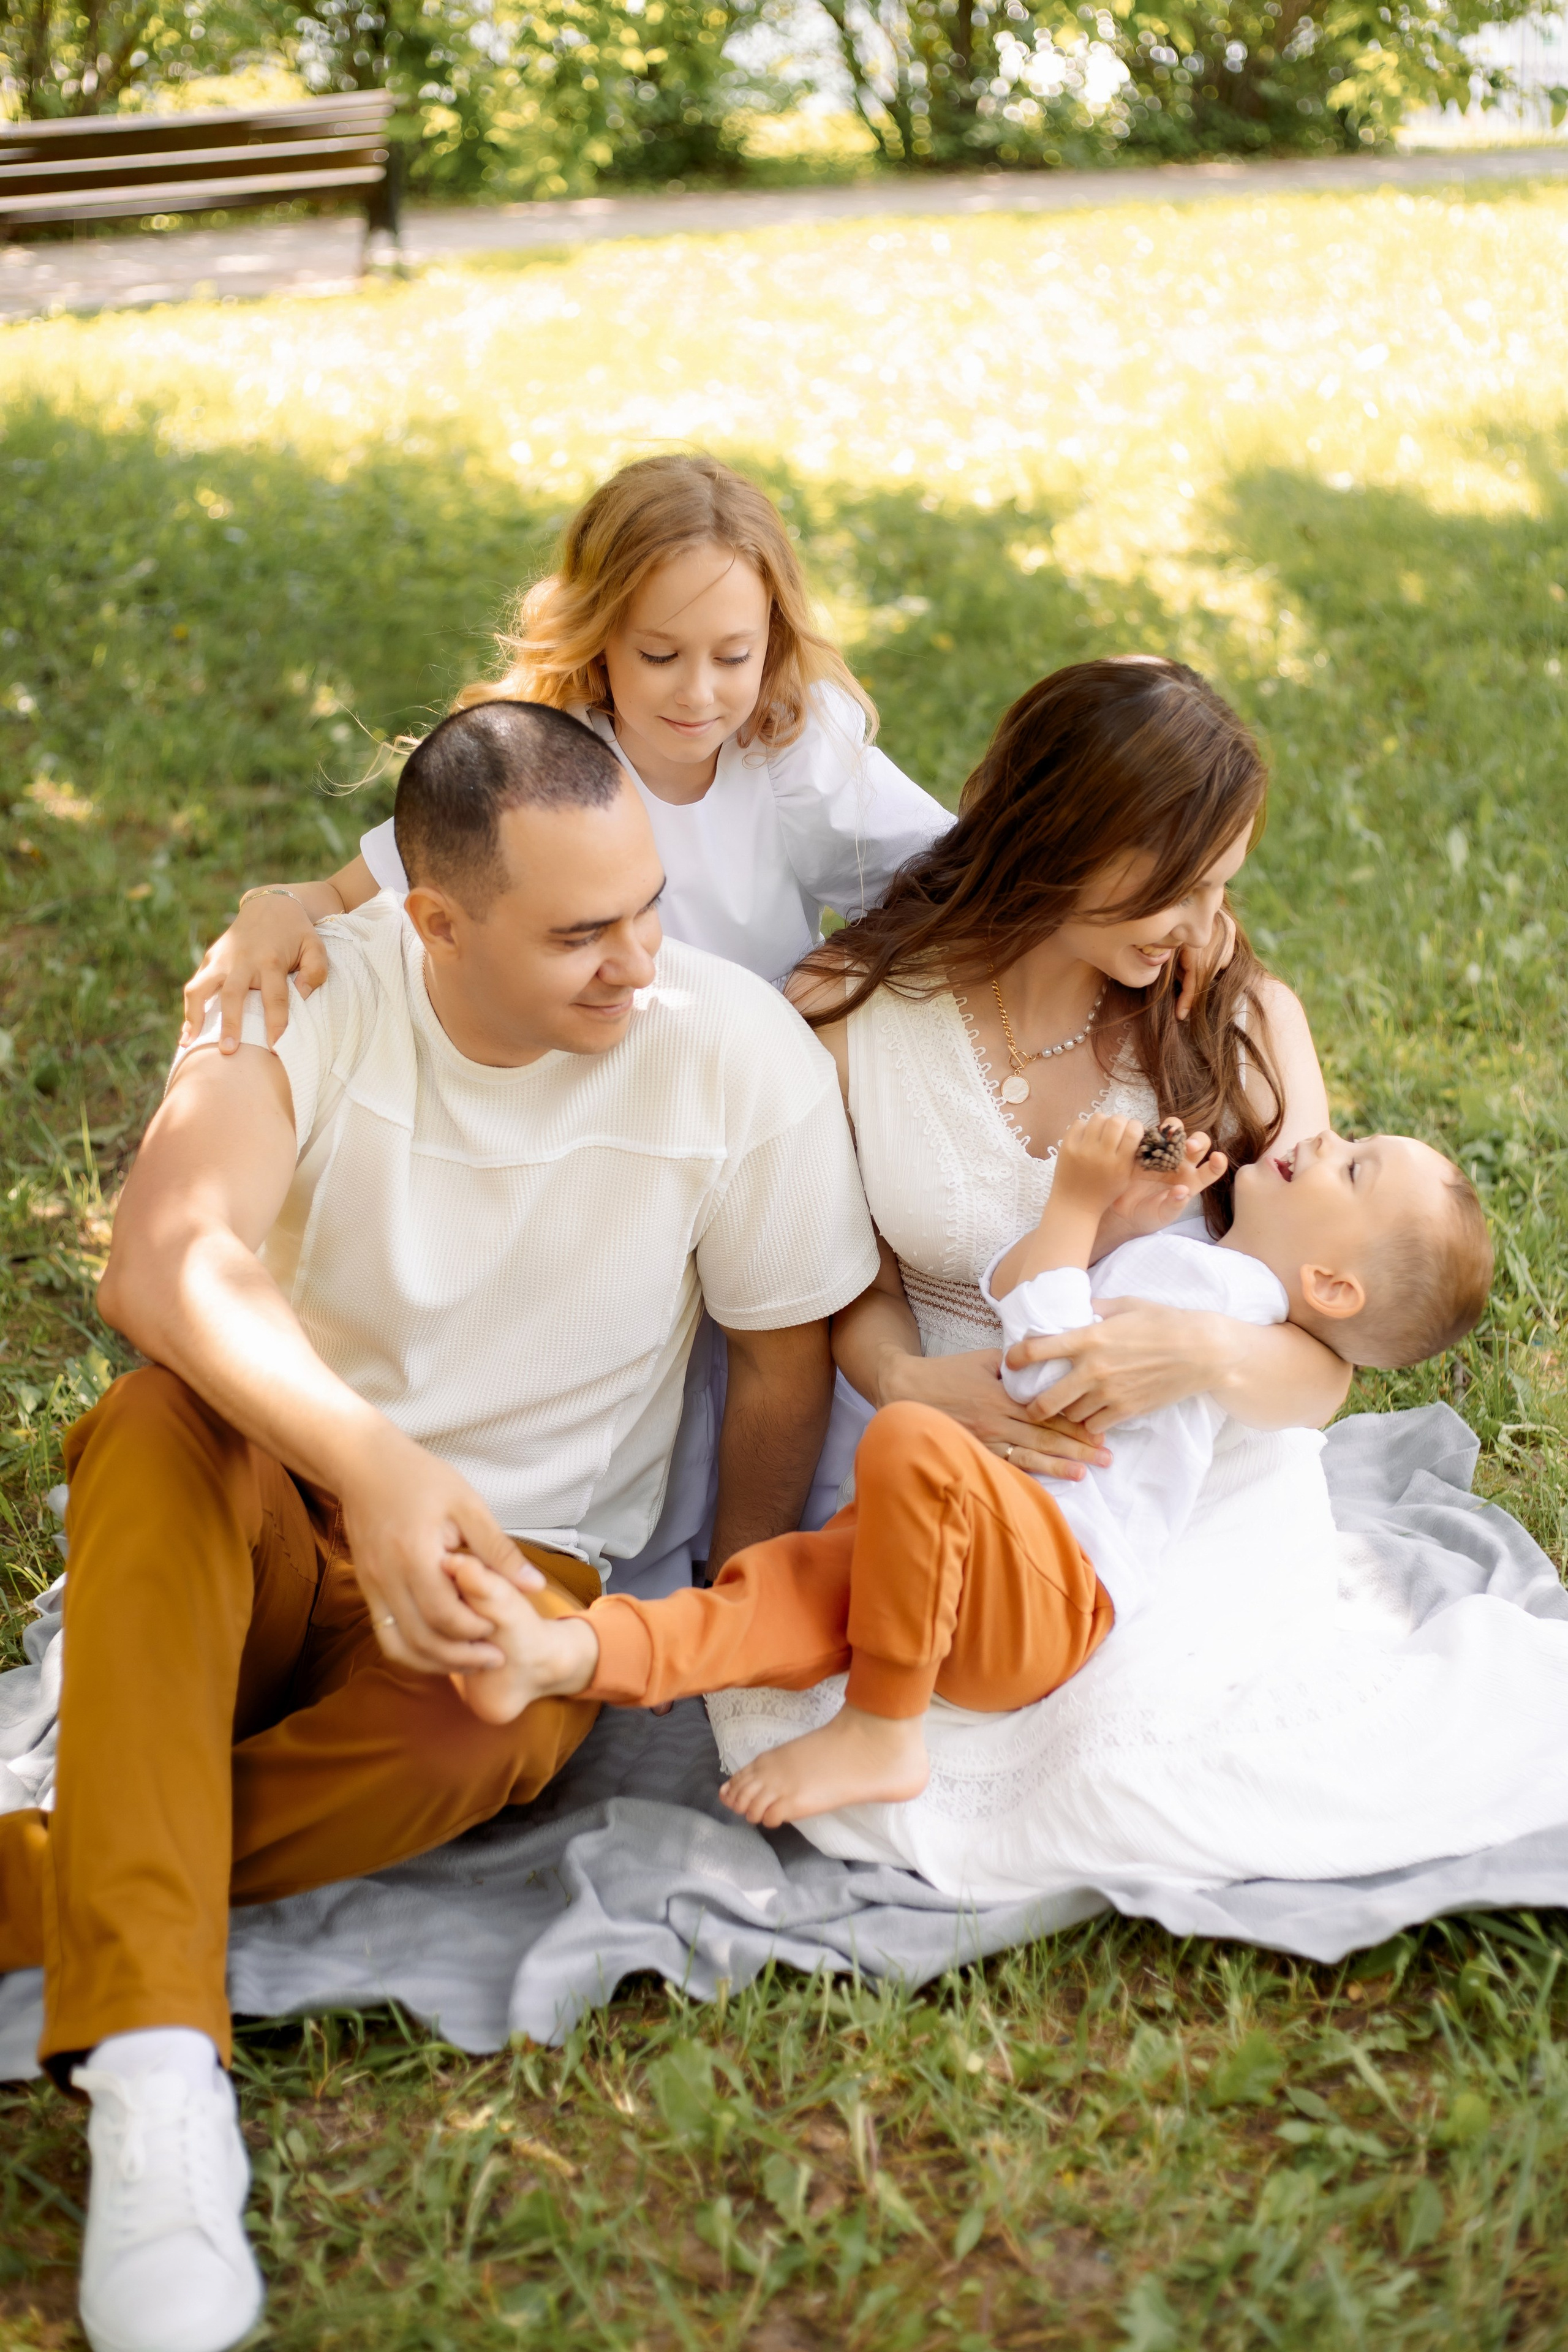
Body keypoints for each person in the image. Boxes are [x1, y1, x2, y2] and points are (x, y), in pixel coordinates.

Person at [0, 699, 878, 2352]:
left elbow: (782, 1362)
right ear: (436, 921)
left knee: (499, 1726)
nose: (637, 961)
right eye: (580, 932)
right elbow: (161, 1260)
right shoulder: (304, 993)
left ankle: (103, 1880)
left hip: (515, 1566)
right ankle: (159, 2082)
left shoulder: (731, 1050)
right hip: (275, 1506)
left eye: (649, 908)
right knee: (149, 1419)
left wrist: (729, 1607)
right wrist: (374, 1464)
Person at [179, 451, 954, 1584]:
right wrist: (263, 911)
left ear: (773, 642)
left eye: (733, 656)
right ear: (598, 637)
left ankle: (742, 1581)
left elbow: (950, 879)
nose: (699, 693)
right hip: (590, 1115)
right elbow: (363, 900)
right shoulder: (543, 762)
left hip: (746, 1109)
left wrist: (833, 984)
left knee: (776, 1354)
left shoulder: (791, 747)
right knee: (619, 1374)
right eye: (660, 656)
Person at [436, 1114, 1492, 1823]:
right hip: (972, 1565)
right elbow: (1025, 1290)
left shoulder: (1214, 1297)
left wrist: (1078, 1206)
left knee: (911, 1440)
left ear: (1330, 1286)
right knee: (786, 1596)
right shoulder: (1199, 1277)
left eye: (1355, 1167)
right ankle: (568, 1655)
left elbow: (1038, 1370)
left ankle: (880, 1732)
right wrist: (1104, 1220)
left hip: (1047, 1591)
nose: (1325, 1135)